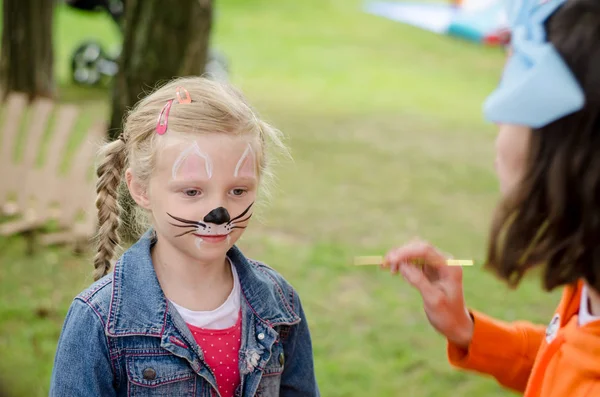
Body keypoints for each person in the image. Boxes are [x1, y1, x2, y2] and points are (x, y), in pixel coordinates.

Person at [49, 77, 319, 397]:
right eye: (192, 191)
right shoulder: (97, 320)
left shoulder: (280, 305)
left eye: (238, 190)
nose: (219, 211)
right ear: (140, 189)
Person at [383, 0, 600, 396]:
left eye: (513, 89)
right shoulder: (590, 292)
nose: (497, 117)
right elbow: (561, 357)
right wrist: (467, 330)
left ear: (563, 140)